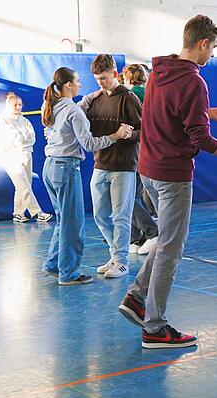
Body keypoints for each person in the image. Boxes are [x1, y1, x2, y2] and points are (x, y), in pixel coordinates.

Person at [117, 14, 217, 349]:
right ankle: (155, 327)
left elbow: (171, 114)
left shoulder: (160, 72)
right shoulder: (194, 81)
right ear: (202, 43)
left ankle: (137, 298)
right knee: (171, 248)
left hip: (148, 170)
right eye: (213, 48)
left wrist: (209, 111)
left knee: (165, 241)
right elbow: (202, 141)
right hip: (172, 175)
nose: (212, 55)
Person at [40, 66, 133, 285]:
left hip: (50, 167)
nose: (82, 85)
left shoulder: (52, 106)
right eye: (78, 81)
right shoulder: (73, 111)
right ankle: (69, 273)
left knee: (63, 219)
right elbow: (90, 144)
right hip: (66, 168)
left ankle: (54, 264)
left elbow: (76, 108)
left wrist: (92, 96)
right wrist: (115, 135)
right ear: (69, 85)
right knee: (73, 224)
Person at [80, 54, 143, 278]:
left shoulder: (129, 98)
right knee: (100, 216)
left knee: (121, 216)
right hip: (100, 164)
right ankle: (114, 254)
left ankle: (121, 261)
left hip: (124, 166)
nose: (101, 82)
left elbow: (145, 132)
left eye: (104, 78)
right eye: (97, 79)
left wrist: (129, 134)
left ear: (115, 74)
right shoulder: (95, 100)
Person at [0, 92, 51, 223]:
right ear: (9, 105)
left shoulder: (25, 121)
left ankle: (18, 213)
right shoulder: (4, 120)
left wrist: (21, 139)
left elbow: (31, 138)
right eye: (15, 105)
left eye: (20, 105)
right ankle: (37, 213)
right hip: (11, 156)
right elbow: (11, 139)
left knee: (24, 186)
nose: (18, 107)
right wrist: (21, 138)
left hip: (27, 154)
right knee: (24, 186)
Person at [122, 63, 159, 255]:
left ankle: (152, 232)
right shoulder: (150, 94)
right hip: (148, 149)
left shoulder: (130, 95)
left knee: (129, 197)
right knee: (134, 195)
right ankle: (136, 238)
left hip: (136, 150)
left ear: (127, 79)